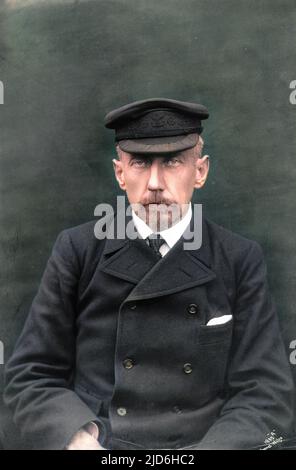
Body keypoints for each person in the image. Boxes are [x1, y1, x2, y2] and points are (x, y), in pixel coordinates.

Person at [3, 98, 294, 450]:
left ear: (200, 172)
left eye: (172, 162)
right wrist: (77, 438)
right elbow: (30, 376)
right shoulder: (78, 250)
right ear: (120, 173)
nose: (155, 183)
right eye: (140, 163)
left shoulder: (238, 258)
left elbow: (265, 392)